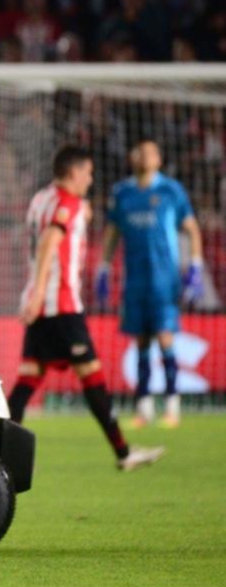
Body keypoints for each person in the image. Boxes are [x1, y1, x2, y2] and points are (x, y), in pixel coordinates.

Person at [9, 145, 163, 471]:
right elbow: (51, 241)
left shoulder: (41, 198)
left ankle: (0, 459)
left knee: (27, 381)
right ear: (74, 173)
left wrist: (34, 295)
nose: (90, 179)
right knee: (92, 378)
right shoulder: (70, 202)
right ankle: (123, 452)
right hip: (60, 304)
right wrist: (39, 293)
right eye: (88, 173)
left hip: (41, 302)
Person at [96, 137, 204, 428]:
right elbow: (112, 232)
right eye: (139, 151)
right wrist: (103, 267)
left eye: (149, 152)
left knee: (165, 338)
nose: (143, 156)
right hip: (135, 279)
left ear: (158, 159)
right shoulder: (123, 192)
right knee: (141, 342)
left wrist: (195, 265)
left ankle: (172, 406)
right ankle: (144, 408)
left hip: (164, 279)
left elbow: (192, 229)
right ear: (133, 158)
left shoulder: (171, 190)